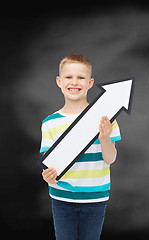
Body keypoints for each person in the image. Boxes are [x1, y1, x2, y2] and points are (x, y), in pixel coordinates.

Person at [40, 53, 121, 240]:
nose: (74, 82)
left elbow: (110, 158)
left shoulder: (105, 118)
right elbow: (49, 168)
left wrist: (105, 138)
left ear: (90, 83)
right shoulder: (49, 123)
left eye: (80, 77)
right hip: (62, 199)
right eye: (68, 77)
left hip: (95, 198)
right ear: (59, 81)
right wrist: (48, 177)